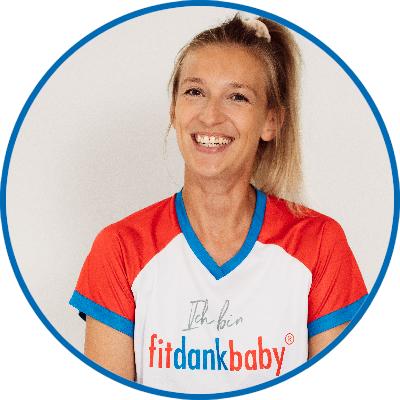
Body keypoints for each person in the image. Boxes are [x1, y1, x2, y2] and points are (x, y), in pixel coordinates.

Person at [69, 14, 368, 394]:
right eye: (195, 92)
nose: (210, 116)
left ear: (271, 122)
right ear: (173, 110)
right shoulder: (120, 248)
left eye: (237, 97)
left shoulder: (320, 243)